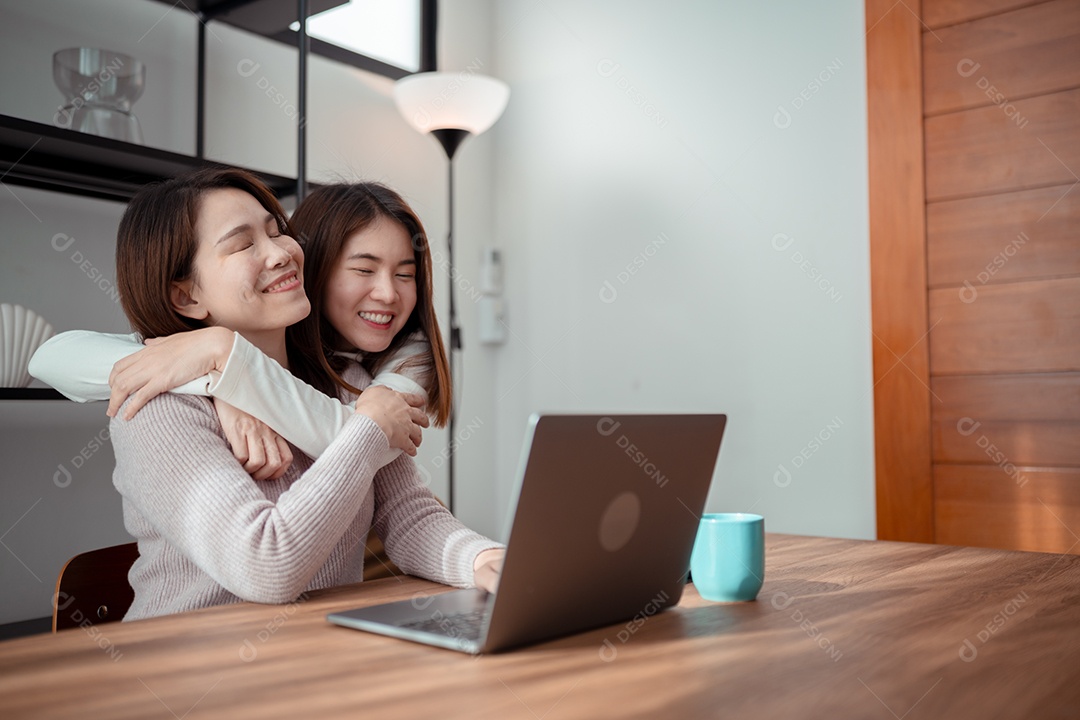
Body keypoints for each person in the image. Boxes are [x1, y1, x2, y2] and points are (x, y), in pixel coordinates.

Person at [32, 168, 503, 620]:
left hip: (318, 660)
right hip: (187, 682)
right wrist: (370, 426)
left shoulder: (349, 381)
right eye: (242, 244)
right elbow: (267, 566)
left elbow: (407, 515)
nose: (280, 253)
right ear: (186, 296)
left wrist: (480, 558)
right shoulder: (158, 409)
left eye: (277, 231)